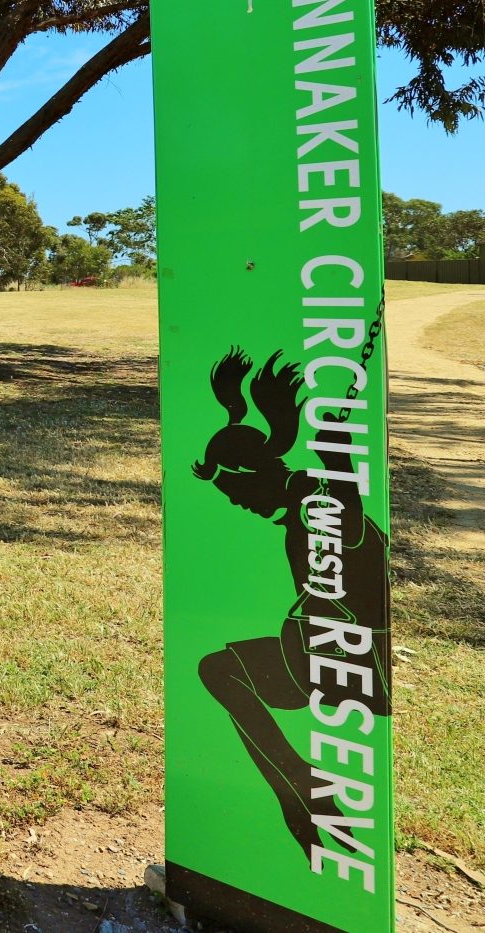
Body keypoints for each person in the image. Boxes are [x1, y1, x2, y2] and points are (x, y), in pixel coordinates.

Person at [189, 348, 391, 855]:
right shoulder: (303, 504)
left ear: (255, 471)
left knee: (220, 670)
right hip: (317, 652)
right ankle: (298, 782)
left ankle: (300, 784)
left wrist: (338, 452)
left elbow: (346, 512)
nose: (238, 503)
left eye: (235, 491)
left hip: (353, 663)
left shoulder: (314, 504)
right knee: (219, 669)